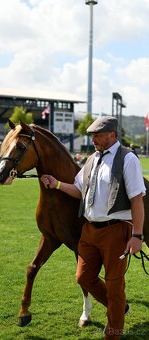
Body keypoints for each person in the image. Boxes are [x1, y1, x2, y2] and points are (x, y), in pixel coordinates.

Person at [41, 116, 146, 340]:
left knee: (114, 285)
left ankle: (114, 333)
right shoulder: (91, 159)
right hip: (89, 230)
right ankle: (118, 307)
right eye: (92, 136)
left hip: (116, 230)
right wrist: (57, 183)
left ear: (112, 135)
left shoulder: (128, 159)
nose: (94, 139)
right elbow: (80, 190)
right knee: (83, 277)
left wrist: (137, 235)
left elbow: (137, 199)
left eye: (97, 135)